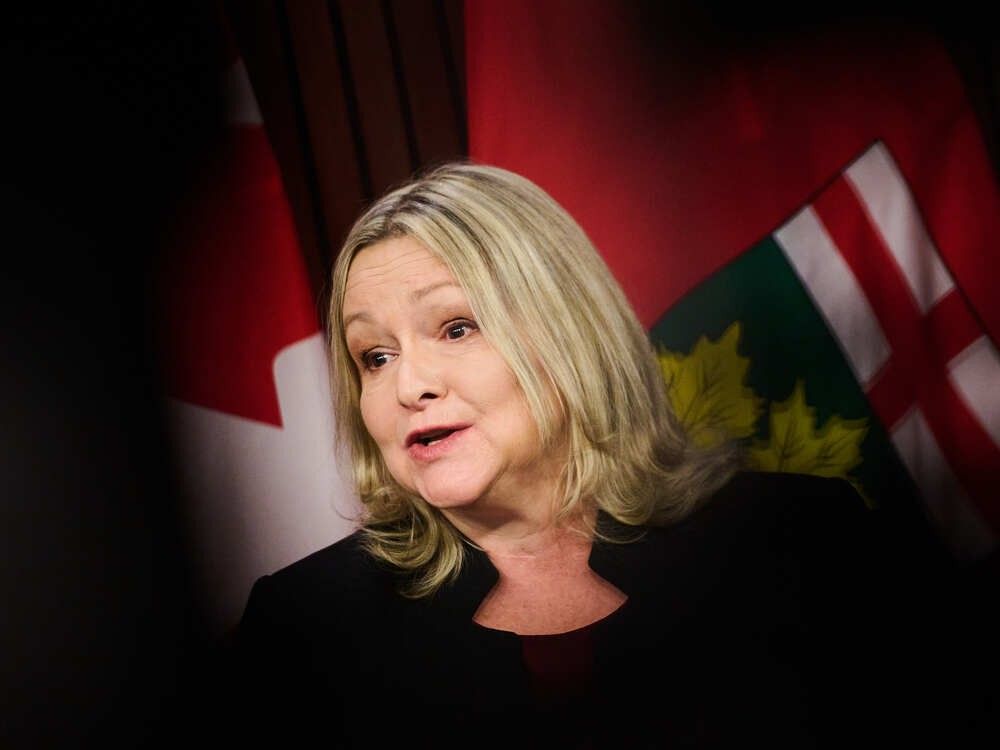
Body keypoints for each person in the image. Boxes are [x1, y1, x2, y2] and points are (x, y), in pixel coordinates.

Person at [222, 161, 965, 748]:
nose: (407, 386)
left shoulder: (805, 538)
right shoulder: (301, 631)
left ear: (568, 331)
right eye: (373, 356)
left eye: (454, 328)